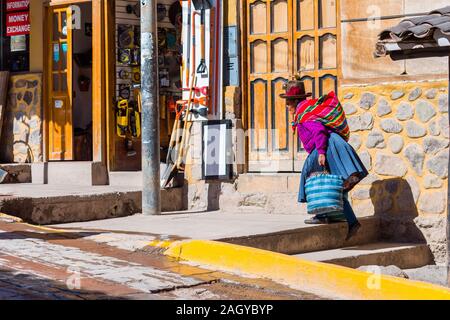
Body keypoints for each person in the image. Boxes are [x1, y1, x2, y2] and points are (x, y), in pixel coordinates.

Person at [280, 80, 368, 241]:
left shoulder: (304, 113)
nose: (286, 105)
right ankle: (346, 220)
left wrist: (321, 152)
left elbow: (319, 130)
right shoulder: (307, 109)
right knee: (334, 184)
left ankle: (324, 214)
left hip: (326, 148)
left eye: (287, 101)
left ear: (294, 101)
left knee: (311, 176)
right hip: (331, 146)